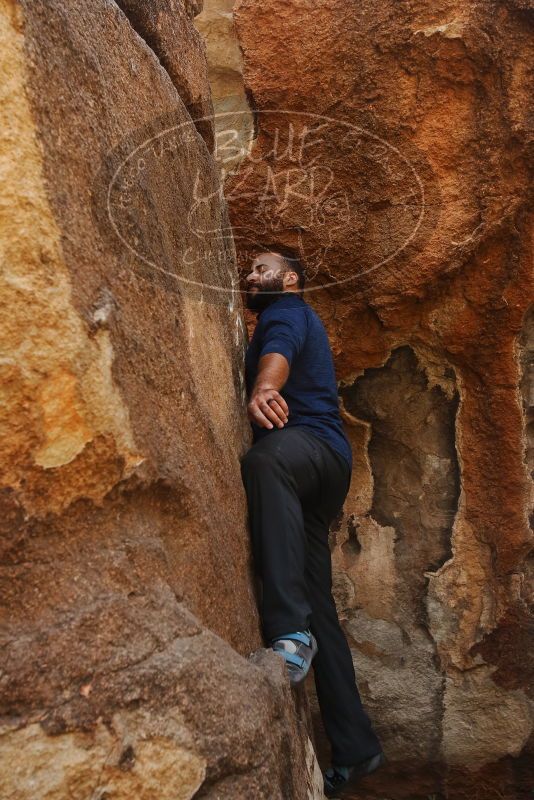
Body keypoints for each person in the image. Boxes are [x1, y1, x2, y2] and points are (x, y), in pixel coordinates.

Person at [239, 245, 384, 796]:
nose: (252, 276)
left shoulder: (287, 310)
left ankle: (287, 634)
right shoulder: (280, 313)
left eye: (262, 268)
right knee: (320, 601)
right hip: (318, 479)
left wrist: (265, 386)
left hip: (308, 452)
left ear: (290, 278)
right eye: (250, 271)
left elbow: (280, 348)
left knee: (264, 460)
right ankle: (356, 746)